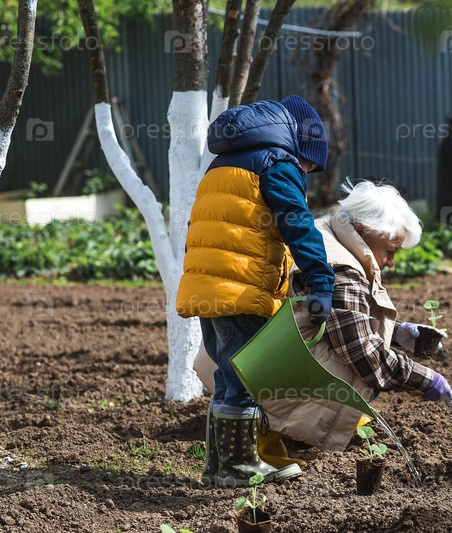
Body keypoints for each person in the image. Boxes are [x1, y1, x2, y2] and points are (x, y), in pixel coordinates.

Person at [175, 96, 336, 487]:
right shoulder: (276, 163)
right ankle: (239, 467)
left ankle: (218, 467)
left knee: (228, 376)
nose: (306, 174)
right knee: (245, 378)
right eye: (309, 166)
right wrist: (320, 280)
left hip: (209, 286)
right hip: (241, 288)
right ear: (301, 148)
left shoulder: (223, 164)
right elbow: (298, 223)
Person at [259, 180, 452, 464]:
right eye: (390, 250)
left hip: (257, 358)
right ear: (363, 230)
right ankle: (295, 427)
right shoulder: (342, 270)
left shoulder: (326, 231)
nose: (391, 262)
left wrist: (398, 333)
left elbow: (337, 319)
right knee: (358, 369)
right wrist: (426, 380)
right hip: (269, 375)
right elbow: (364, 352)